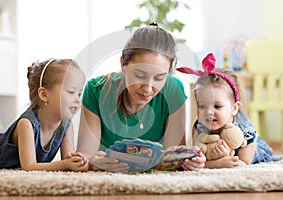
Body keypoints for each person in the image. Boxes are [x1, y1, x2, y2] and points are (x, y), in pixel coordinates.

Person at [77, 23, 206, 172]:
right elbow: (86, 155)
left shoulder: (173, 89)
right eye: (139, 75)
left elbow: (174, 155)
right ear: (123, 65)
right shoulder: (96, 90)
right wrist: (93, 162)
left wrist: (191, 161)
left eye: (159, 78)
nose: (148, 88)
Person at [177, 53, 282, 168]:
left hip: (255, 157)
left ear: (234, 108)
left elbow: (243, 164)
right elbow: (200, 160)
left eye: (217, 106)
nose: (209, 112)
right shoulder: (199, 126)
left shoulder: (245, 131)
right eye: (202, 106)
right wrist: (213, 163)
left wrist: (221, 161)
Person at [0, 58, 88, 171]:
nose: (78, 100)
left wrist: (78, 161)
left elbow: (68, 158)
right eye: (71, 92)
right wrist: (64, 164)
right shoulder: (26, 124)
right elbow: (29, 166)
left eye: (79, 94)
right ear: (44, 94)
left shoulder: (66, 125)